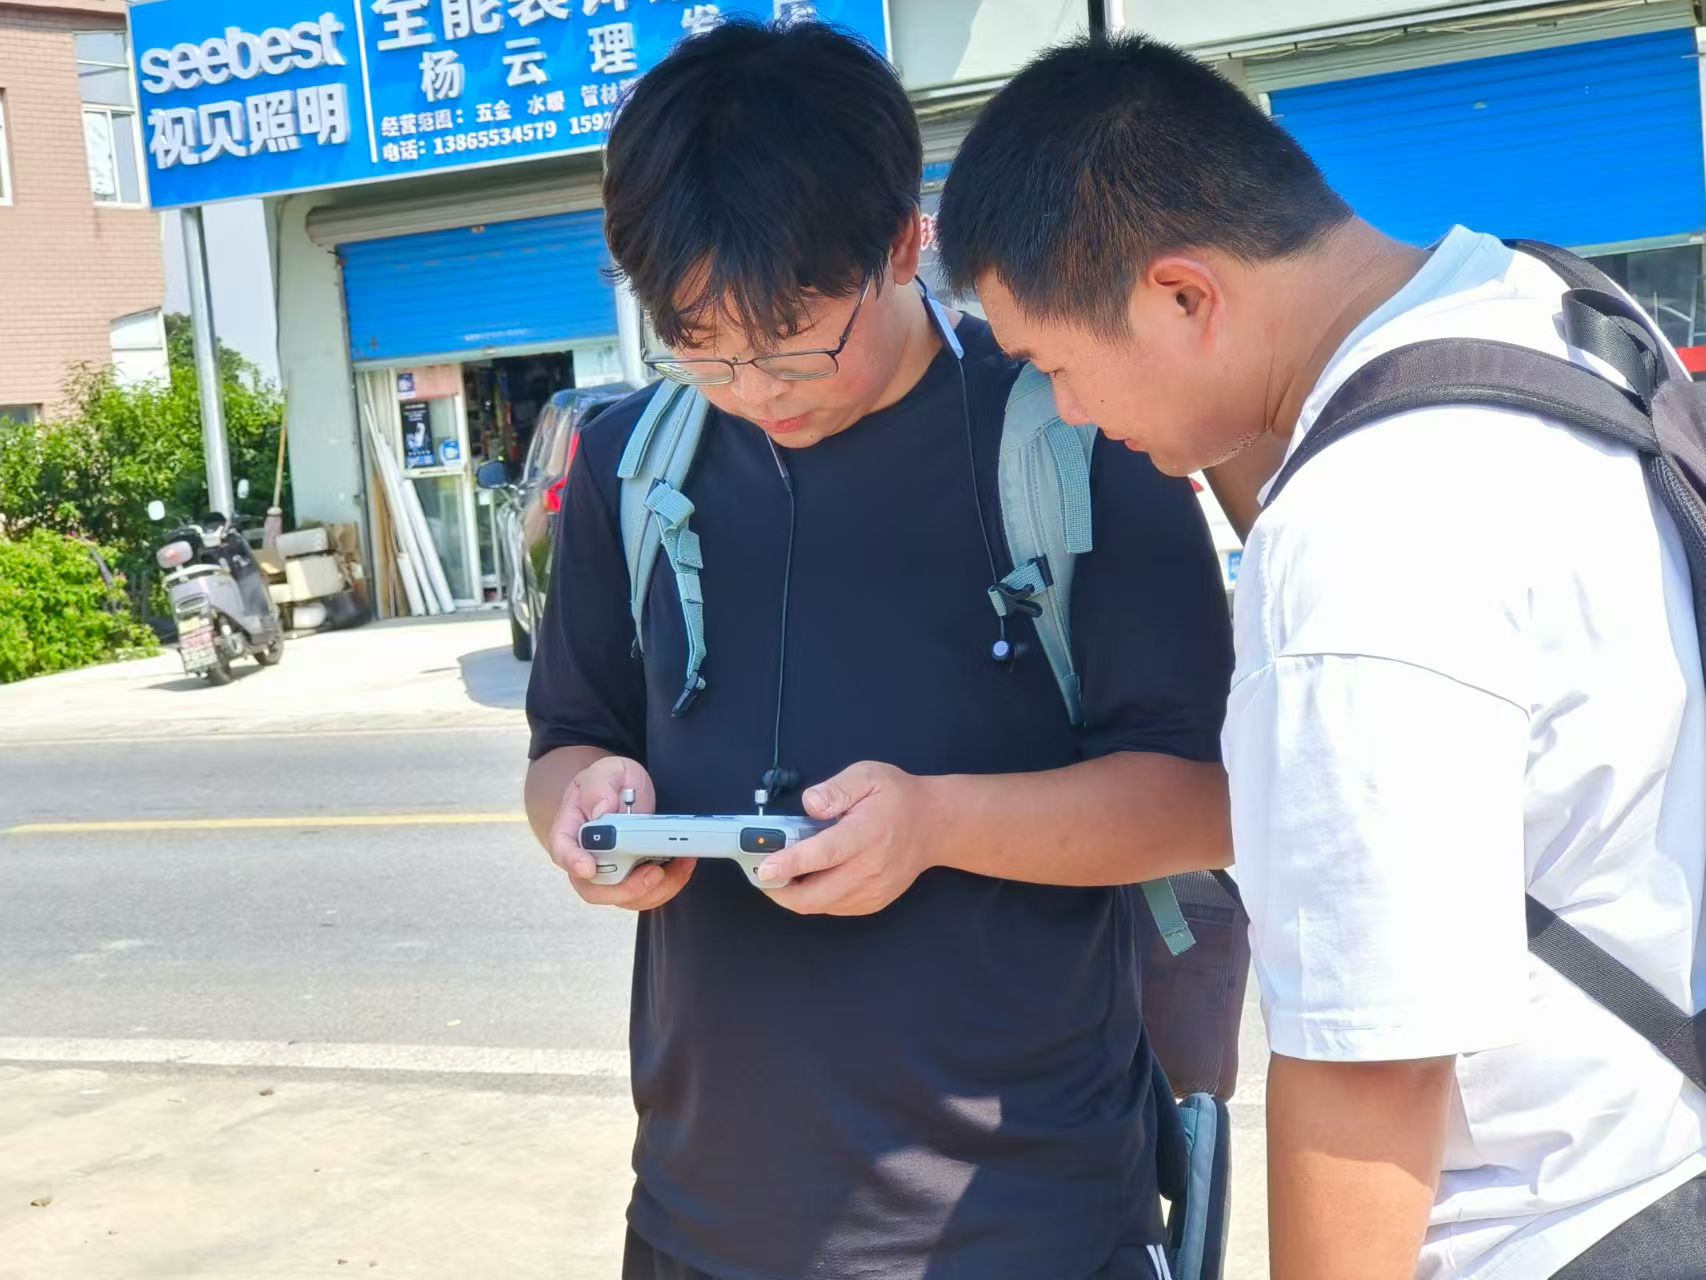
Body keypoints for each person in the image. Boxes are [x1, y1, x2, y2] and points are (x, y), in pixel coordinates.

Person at [937, 32, 1706, 1280]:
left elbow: (1370, 1062)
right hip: (1661, 1131)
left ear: (1182, 296)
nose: (1068, 413)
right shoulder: (1548, 309)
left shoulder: (1357, 534)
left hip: (1551, 1227)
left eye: (1055, 366)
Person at [522, 19, 1235, 1280]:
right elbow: (569, 735)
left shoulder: (1077, 435)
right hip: (696, 1217)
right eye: (699, 340)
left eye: (793, 333)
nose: (755, 385)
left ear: (905, 242)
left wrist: (934, 823)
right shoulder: (635, 463)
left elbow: (1200, 801)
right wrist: (583, 808)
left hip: (1020, 1226)